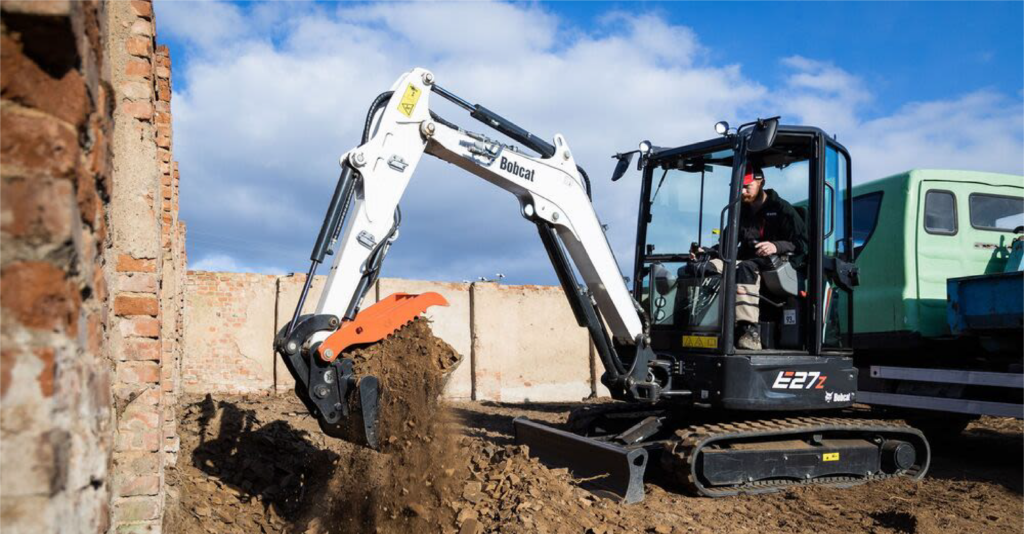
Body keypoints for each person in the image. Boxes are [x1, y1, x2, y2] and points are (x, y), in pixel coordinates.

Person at [691, 165, 807, 350]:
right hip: (746, 260)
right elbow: (726, 246)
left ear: (761, 182)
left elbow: (803, 243)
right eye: (739, 188)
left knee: (746, 267)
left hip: (779, 263)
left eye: (747, 186)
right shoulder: (740, 212)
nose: (743, 192)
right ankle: (701, 326)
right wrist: (704, 254)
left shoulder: (782, 208)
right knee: (705, 267)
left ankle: (750, 332)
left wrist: (775, 246)